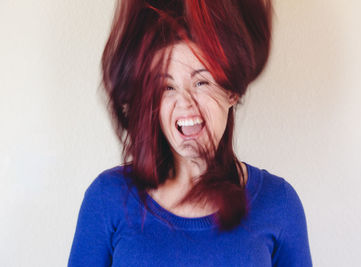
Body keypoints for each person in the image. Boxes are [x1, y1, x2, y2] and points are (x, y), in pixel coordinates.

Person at [68, 0, 313, 266]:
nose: (184, 103)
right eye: (167, 87)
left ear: (232, 91)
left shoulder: (279, 203)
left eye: (201, 81)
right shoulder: (106, 199)